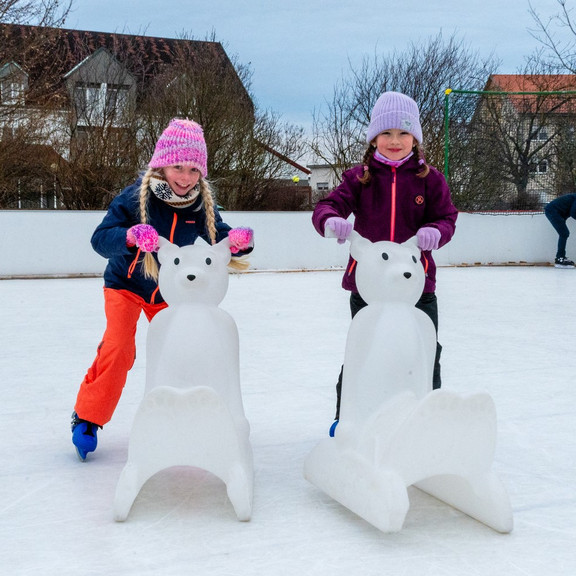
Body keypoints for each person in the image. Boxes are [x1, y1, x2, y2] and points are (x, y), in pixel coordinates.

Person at [71, 118, 253, 460]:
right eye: (178, 167)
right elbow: (99, 239)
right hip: (124, 285)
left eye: (193, 170)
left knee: (183, 350)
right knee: (120, 347)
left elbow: (220, 238)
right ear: (162, 164)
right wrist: (129, 237)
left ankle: (186, 416)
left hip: (169, 295)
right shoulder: (133, 197)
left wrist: (240, 242)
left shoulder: (199, 205)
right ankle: (87, 417)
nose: (185, 177)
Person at [311, 91, 458, 433]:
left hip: (417, 285)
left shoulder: (430, 179)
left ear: (415, 138)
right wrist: (331, 220)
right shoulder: (359, 178)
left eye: (404, 133)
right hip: (369, 288)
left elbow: (447, 218)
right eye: (387, 133)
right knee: (364, 350)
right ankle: (346, 418)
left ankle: (426, 420)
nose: (395, 141)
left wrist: (436, 231)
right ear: (374, 136)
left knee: (424, 351)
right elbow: (326, 206)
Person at [544, 193, 576, 268]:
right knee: (564, 233)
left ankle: (560, 257)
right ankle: (560, 258)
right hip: (552, 211)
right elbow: (573, 213)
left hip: (559, 213)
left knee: (564, 233)